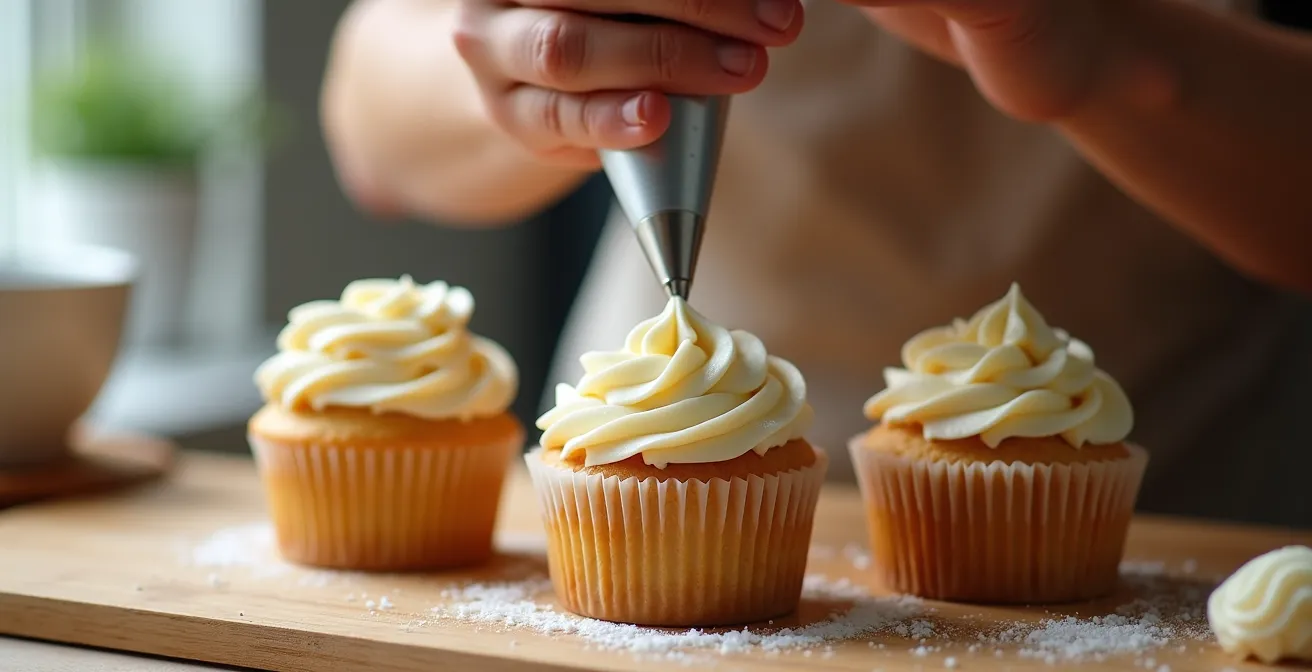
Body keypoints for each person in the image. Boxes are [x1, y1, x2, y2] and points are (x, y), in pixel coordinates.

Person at [320, 0, 1312, 526]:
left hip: (1175, 537)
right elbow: (368, 130)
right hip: (630, 436)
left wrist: (1108, 52)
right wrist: (534, 70)